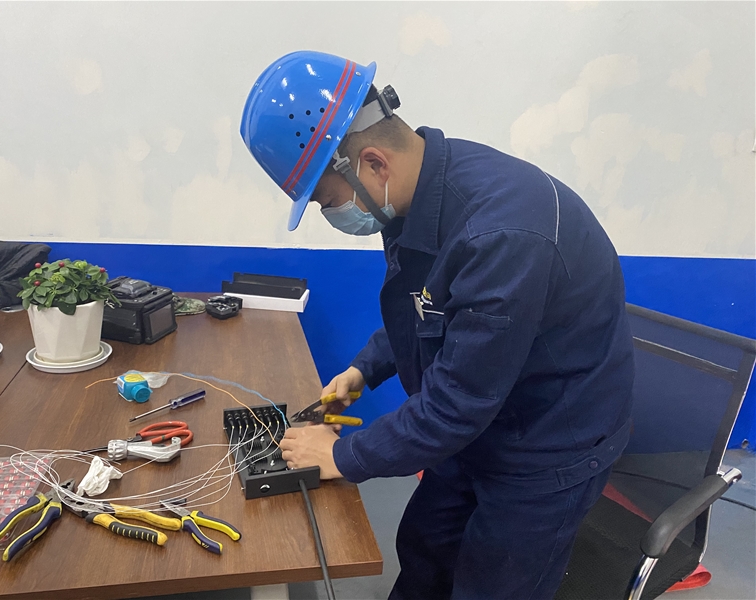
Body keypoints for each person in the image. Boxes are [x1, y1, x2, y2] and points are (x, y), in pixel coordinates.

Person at [240, 51, 634, 600]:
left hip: (547, 444)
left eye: (328, 200)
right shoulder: (413, 197)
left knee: (492, 586)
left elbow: (457, 405)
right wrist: (363, 370)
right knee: (426, 549)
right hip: (485, 414)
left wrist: (340, 457)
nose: (333, 217)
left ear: (372, 164)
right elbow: (427, 308)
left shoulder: (503, 234)